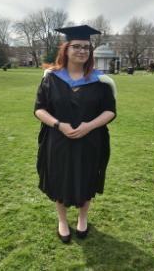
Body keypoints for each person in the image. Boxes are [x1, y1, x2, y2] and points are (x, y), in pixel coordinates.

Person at [34, 25, 117, 243]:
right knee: (60, 178)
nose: (82, 51)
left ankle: (82, 218)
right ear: (66, 49)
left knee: (87, 178)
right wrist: (59, 124)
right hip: (58, 140)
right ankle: (62, 221)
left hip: (90, 141)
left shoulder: (101, 82)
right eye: (77, 46)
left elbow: (110, 111)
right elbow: (39, 109)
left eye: (87, 48)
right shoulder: (51, 79)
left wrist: (89, 126)